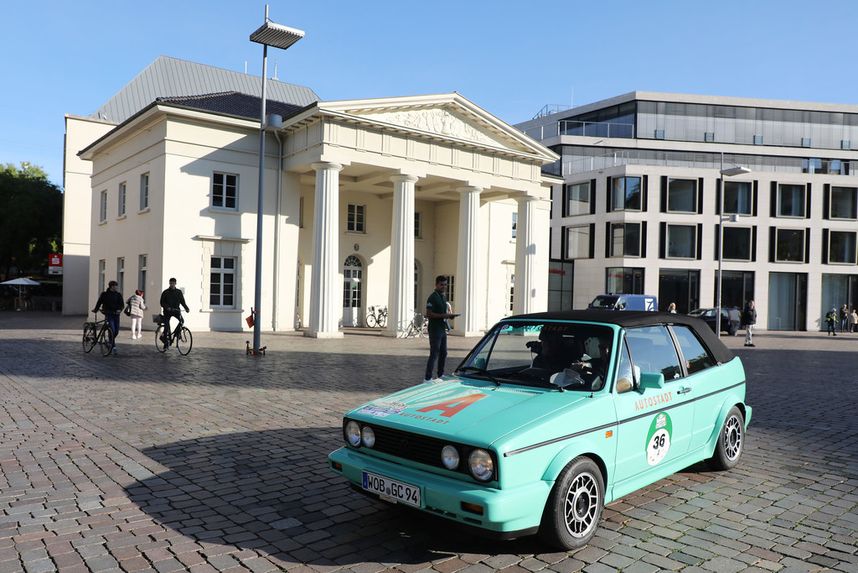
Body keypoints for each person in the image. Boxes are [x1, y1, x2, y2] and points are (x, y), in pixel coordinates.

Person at [424, 276, 458, 382]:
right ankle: (427, 377)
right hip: (435, 329)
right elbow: (429, 314)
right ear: (436, 285)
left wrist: (450, 315)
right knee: (434, 353)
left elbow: (443, 313)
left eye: (445, 284)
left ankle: (440, 374)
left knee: (444, 352)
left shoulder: (443, 297)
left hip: (442, 328)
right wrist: (444, 315)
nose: (444, 287)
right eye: (442, 284)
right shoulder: (432, 297)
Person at [93, 280, 123, 354]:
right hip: (108, 313)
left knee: (116, 331)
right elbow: (99, 302)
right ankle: (113, 346)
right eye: (115, 286)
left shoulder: (118, 295)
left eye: (116, 286)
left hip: (116, 314)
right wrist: (96, 309)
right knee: (112, 329)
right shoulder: (105, 294)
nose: (116, 287)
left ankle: (110, 341)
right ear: (111, 286)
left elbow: (121, 304)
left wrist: (120, 309)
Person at [160, 278, 190, 346]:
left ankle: (177, 333)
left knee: (182, 321)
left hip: (176, 311)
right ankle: (165, 342)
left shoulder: (179, 292)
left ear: (175, 283)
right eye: (171, 283)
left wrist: (186, 308)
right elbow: (162, 302)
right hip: (167, 312)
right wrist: (167, 307)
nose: (172, 285)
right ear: (169, 283)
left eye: (173, 283)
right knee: (167, 326)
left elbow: (182, 302)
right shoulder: (165, 292)